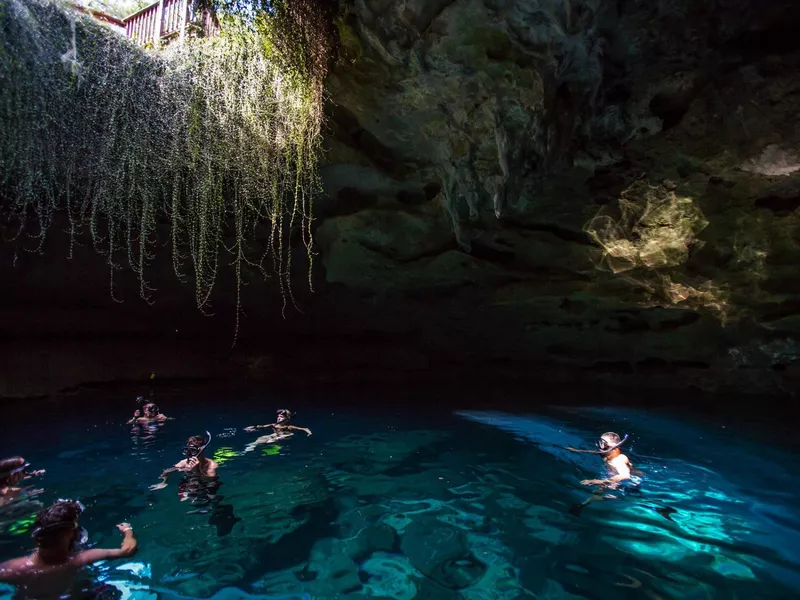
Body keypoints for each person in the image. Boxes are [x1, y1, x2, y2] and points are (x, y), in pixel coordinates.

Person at [0, 499, 137, 598]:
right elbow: (127, 551)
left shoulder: (12, 569)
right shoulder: (81, 559)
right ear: (70, 534)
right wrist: (128, 530)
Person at [149, 433, 218, 491]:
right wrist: (164, 482)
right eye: (189, 450)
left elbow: (211, 480)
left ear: (202, 450)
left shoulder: (211, 465)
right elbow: (167, 471)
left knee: (210, 494)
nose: (191, 454)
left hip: (205, 486)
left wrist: (196, 470)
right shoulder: (184, 462)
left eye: (193, 450)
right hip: (188, 483)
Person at [243, 409, 311, 453]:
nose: (278, 418)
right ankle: (252, 446)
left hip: (284, 435)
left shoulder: (289, 427)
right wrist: (253, 428)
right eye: (278, 416)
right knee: (262, 437)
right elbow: (262, 426)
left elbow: (305, 429)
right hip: (275, 435)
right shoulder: (274, 425)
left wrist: (309, 433)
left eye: (281, 417)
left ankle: (274, 445)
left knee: (284, 436)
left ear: (287, 419)